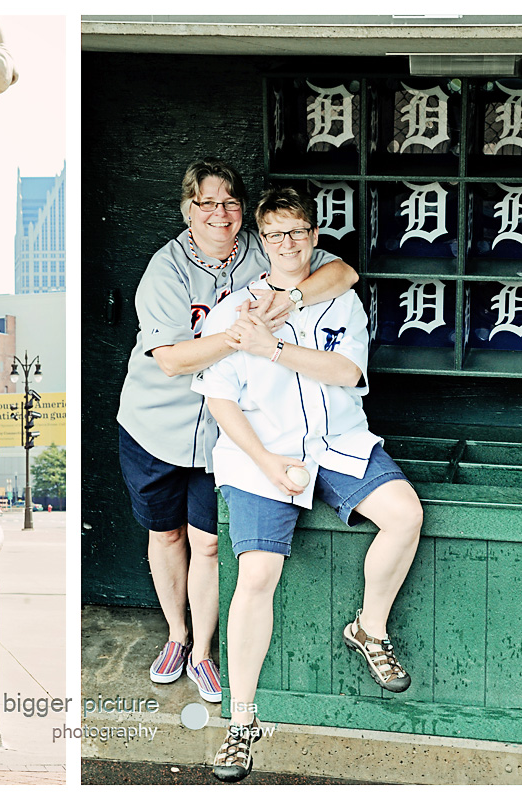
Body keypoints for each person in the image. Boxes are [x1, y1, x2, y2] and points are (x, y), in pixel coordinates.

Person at [191, 187, 423, 782]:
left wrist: (277, 348)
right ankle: (241, 723)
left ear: (314, 236)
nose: (288, 243)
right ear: (260, 242)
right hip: (261, 454)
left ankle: (368, 627)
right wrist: (266, 462)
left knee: (404, 515)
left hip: (336, 439)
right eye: (274, 234)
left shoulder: (339, 297)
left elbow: (347, 372)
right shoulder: (234, 308)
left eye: (297, 232)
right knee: (258, 574)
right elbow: (220, 400)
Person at [116, 157, 358, 703]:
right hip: (158, 423)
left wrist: (292, 298)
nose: (219, 213)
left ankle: (203, 650)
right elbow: (174, 361)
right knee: (166, 534)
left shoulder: (263, 247)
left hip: (228, 430)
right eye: (206, 203)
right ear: (187, 211)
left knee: (206, 543)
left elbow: (343, 274)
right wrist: (241, 333)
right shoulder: (167, 267)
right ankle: (176, 636)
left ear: (243, 209)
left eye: (229, 202)